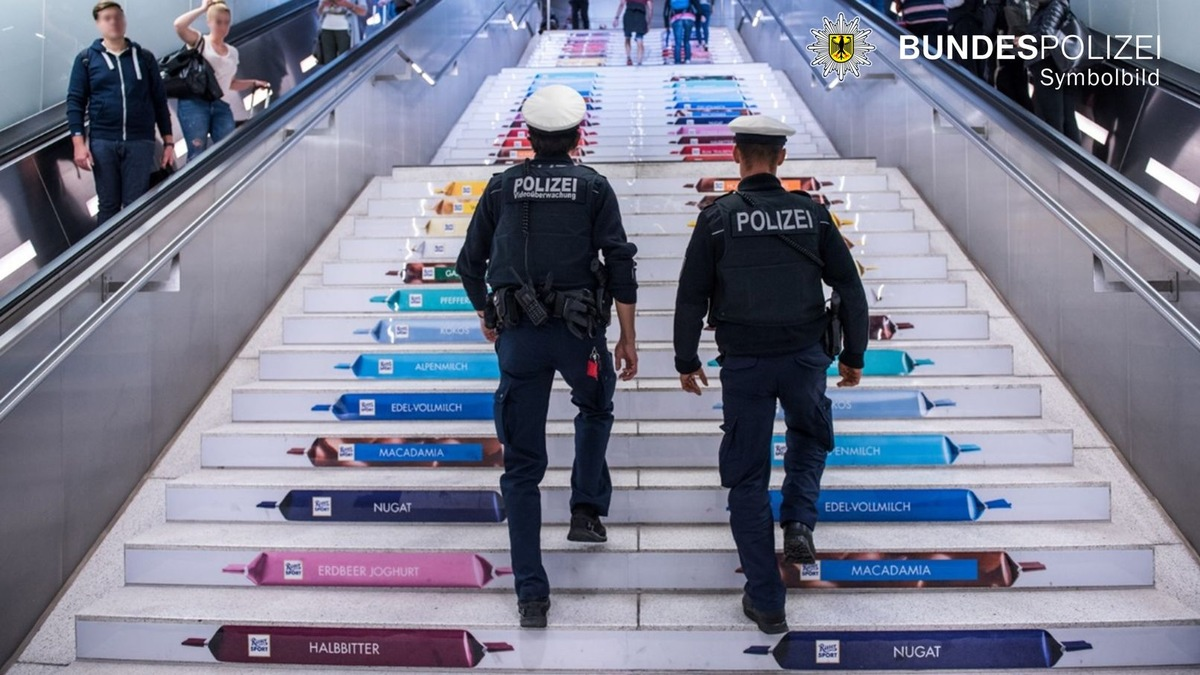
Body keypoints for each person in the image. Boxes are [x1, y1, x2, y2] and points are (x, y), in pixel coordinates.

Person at [673, 115, 869, 634]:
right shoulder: (814, 215)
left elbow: (692, 294)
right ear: (781, 158)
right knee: (810, 435)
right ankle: (799, 523)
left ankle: (767, 600)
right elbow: (850, 289)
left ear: (736, 156)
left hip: (745, 365)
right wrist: (854, 354)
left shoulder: (716, 219)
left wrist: (685, 359)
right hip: (805, 357)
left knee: (746, 476)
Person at [455, 85, 640, 629]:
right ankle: (585, 510)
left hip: (519, 339)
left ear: (528, 138)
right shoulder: (593, 187)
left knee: (522, 467)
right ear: (579, 136)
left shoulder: (501, 187)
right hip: (579, 337)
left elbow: (469, 265)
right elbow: (621, 263)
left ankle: (531, 597)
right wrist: (626, 337)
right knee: (596, 408)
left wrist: (488, 314)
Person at [67, 1, 175, 225]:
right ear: (98, 24)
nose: (114, 22)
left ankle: (136, 256)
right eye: (107, 18)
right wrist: (79, 143)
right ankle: (107, 258)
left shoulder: (144, 58)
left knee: (135, 204)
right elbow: (76, 102)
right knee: (108, 205)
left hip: (140, 141)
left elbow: (159, 100)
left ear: (124, 20)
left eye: (118, 16)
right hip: (103, 141)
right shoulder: (87, 59)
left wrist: (169, 141)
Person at [173, 1, 270, 157]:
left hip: (221, 105)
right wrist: (202, 8)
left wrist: (253, 83)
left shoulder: (232, 52)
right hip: (195, 104)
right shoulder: (200, 42)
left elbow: (229, 83)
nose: (223, 27)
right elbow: (179, 25)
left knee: (227, 149)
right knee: (197, 153)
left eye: (226, 22)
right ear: (209, 22)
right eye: (218, 22)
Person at [614, 0, 652, 66]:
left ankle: (628, 57)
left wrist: (617, 17)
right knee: (639, 40)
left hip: (629, 15)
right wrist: (649, 23)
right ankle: (639, 62)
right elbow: (650, 8)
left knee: (627, 37)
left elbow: (621, 4)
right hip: (640, 16)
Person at [664, 0, 702, 64]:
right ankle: (687, 59)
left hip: (676, 18)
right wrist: (698, 18)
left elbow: (666, 12)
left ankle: (677, 61)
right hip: (688, 18)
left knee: (677, 42)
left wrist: (666, 25)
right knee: (686, 40)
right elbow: (697, 6)